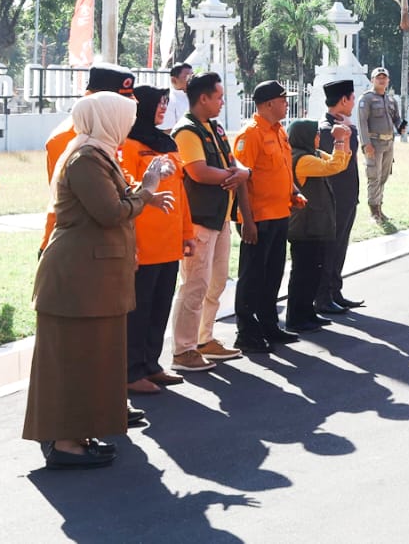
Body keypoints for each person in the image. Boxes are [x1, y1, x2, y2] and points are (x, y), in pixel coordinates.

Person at [22, 92, 176, 469]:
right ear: (107, 119)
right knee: (74, 359)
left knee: (91, 358)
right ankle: (65, 442)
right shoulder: (86, 159)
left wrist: (145, 194)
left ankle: (80, 433)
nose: (128, 124)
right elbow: (109, 213)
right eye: (123, 117)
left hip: (92, 276)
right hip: (78, 278)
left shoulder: (98, 154)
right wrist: (149, 189)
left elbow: (116, 201)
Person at [169, 73, 250, 372]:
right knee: (194, 285)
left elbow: (231, 160)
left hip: (219, 217)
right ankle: (183, 349)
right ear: (203, 98)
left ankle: (205, 339)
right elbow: (198, 172)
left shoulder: (213, 127)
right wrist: (237, 175)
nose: (222, 101)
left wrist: (241, 171)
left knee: (215, 283)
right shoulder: (187, 131)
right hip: (199, 220)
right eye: (218, 96)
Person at [123, 86, 195, 396]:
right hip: (144, 242)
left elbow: (181, 194)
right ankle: (131, 371)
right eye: (159, 103)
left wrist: (187, 234)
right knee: (138, 312)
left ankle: (151, 364)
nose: (164, 108)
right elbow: (128, 193)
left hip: (169, 241)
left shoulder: (167, 142)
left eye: (166, 102)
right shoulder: (128, 143)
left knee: (159, 307)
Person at [231, 80, 302, 354]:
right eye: (283, 100)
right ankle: (246, 332)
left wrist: (294, 191)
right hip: (257, 217)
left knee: (273, 273)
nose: (286, 104)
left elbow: (284, 169)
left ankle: (269, 324)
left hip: (279, 212)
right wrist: (247, 221)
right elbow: (241, 181)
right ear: (269, 103)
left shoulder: (279, 131)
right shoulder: (251, 134)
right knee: (252, 276)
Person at [39, 64, 139, 255]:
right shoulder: (68, 138)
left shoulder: (113, 132)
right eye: (114, 101)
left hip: (106, 240)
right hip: (76, 244)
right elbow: (93, 201)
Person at [284, 117, 352, 331]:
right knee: (302, 273)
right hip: (305, 226)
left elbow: (340, 162)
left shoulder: (312, 154)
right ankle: (296, 317)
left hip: (315, 224)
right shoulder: (301, 159)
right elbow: (332, 166)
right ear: (304, 136)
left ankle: (307, 313)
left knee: (313, 273)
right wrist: (339, 140)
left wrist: (345, 139)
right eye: (315, 134)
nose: (318, 137)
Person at [316, 78, 365, 315]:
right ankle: (322, 296)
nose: (354, 102)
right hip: (334, 197)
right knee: (330, 246)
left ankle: (335, 291)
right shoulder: (327, 129)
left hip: (347, 196)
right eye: (352, 98)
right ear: (343, 100)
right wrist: (350, 132)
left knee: (341, 245)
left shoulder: (344, 126)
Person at [357, 68, 401, 223]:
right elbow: (362, 122)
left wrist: (402, 126)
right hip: (374, 144)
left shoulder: (391, 99)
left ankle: (380, 209)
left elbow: (397, 118)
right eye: (378, 77)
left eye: (384, 78)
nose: (382, 80)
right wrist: (365, 144)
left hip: (388, 143)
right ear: (372, 80)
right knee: (374, 177)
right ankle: (374, 212)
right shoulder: (366, 99)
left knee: (383, 177)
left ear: (388, 80)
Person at [159, 63, 192, 132]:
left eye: (192, 76)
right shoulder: (169, 99)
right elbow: (167, 131)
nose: (190, 80)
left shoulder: (195, 96)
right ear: (173, 80)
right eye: (187, 77)